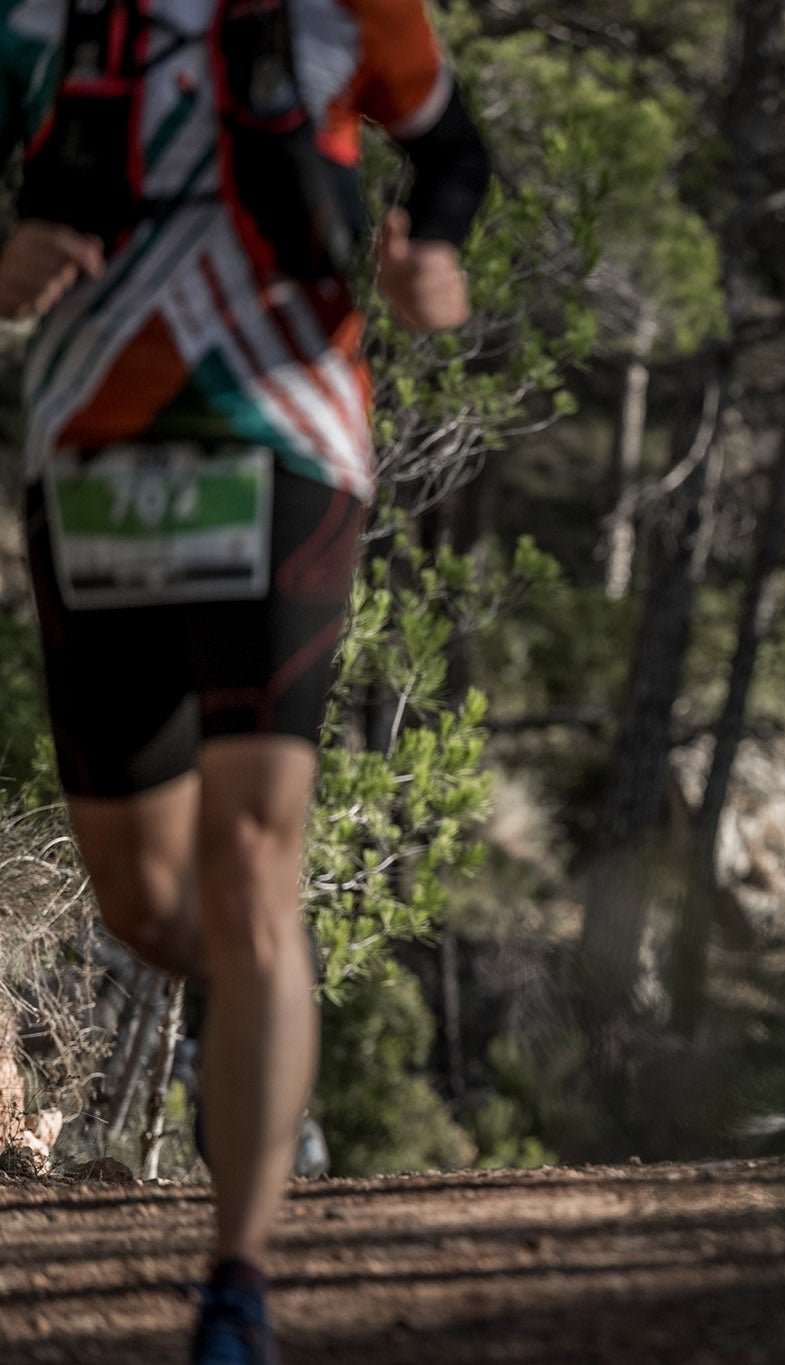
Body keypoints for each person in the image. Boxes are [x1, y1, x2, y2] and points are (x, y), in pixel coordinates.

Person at [0, 0, 489, 1358]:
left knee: (256, 862)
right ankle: (273, 1049)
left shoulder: (350, 10)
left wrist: (430, 254)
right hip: (86, 454)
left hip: (288, 436)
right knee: (148, 900)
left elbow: (453, 149)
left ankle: (238, 1285)